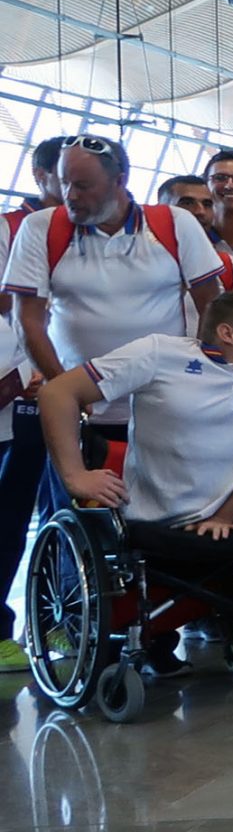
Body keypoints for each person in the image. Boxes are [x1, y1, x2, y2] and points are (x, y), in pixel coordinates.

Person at [41, 289, 233, 675]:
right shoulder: (158, 354)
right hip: (152, 520)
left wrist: (225, 515)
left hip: (231, 518)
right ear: (228, 334)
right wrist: (75, 475)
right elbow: (56, 392)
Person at [5, 135, 225, 446]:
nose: (70, 195)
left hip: (163, 400)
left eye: (83, 186)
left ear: (119, 181)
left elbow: (212, 304)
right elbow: (27, 319)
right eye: (65, 182)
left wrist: (194, 374)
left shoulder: (175, 224)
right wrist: (64, 387)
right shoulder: (40, 227)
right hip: (79, 404)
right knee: (78, 477)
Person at [0, 139, 64, 672]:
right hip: (20, 394)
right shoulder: (10, 228)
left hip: (74, 391)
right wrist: (26, 372)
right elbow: (13, 309)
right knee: (11, 512)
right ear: (42, 176)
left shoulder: (88, 234)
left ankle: (55, 616)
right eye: (65, 176)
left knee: (62, 508)